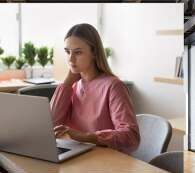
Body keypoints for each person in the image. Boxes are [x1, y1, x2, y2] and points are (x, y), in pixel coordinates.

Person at [50, 23, 140, 154]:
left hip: (105, 160)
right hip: (78, 156)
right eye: (67, 52)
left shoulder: (114, 86)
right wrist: (67, 83)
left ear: (94, 53)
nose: (71, 59)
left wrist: (86, 137)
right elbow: (51, 124)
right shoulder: (73, 86)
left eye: (78, 52)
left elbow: (131, 136)